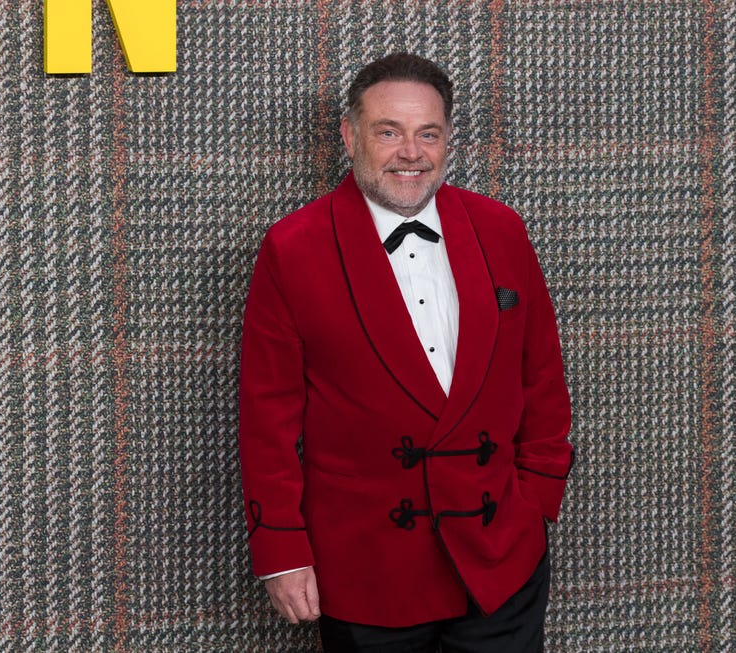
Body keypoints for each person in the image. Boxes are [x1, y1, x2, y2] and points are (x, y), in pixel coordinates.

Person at [239, 52, 573, 652]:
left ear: (448, 140)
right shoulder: (292, 248)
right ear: (349, 136)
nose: (410, 153)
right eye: (388, 132)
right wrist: (281, 550)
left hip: (500, 560)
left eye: (428, 134)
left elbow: (541, 377)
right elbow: (267, 419)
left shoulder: (501, 229)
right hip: (367, 570)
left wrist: (537, 503)